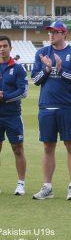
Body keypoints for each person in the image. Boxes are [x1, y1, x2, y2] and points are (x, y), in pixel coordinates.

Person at [31, 21, 71, 201]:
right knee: (48, 146)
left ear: (64, 33)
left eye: (56, 32)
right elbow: (36, 80)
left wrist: (61, 71)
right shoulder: (41, 53)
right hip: (46, 107)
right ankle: (47, 187)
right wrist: (48, 69)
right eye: (50, 32)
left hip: (68, 107)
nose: (51, 35)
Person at [0, 36, 28, 195]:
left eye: (5, 46)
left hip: (13, 115)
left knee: (17, 149)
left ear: (10, 48)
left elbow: (23, 91)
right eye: (0, 46)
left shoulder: (18, 68)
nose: (2, 49)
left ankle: (21, 183)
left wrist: (5, 97)